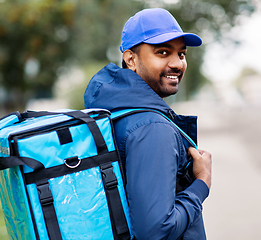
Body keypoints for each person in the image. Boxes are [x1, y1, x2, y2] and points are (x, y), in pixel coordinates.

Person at [84, 8, 212, 240]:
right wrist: (201, 183)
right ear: (131, 59)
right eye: (162, 52)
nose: (177, 64)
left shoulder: (115, 112)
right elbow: (155, 231)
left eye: (181, 54)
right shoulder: (152, 127)